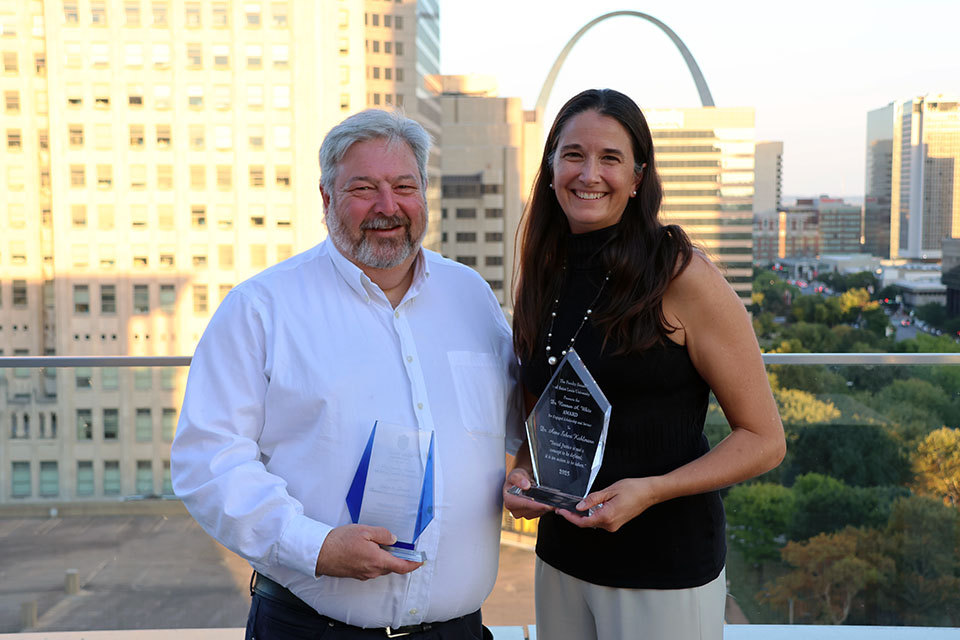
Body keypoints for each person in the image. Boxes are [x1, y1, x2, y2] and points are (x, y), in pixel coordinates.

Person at [172, 108, 523, 640]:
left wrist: (527, 471)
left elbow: (516, 420)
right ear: (326, 198)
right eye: (364, 188)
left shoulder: (470, 295)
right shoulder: (261, 308)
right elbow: (208, 461)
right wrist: (312, 545)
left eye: (404, 186)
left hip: (459, 631)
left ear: (424, 192)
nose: (388, 207)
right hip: (311, 630)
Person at [503, 89, 786, 640]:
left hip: (663, 571)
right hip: (561, 560)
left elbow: (764, 439)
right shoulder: (545, 268)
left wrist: (651, 490)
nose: (589, 173)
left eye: (610, 158)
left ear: (638, 177)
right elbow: (547, 400)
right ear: (551, 167)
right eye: (573, 155)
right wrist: (525, 471)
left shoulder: (682, 276)